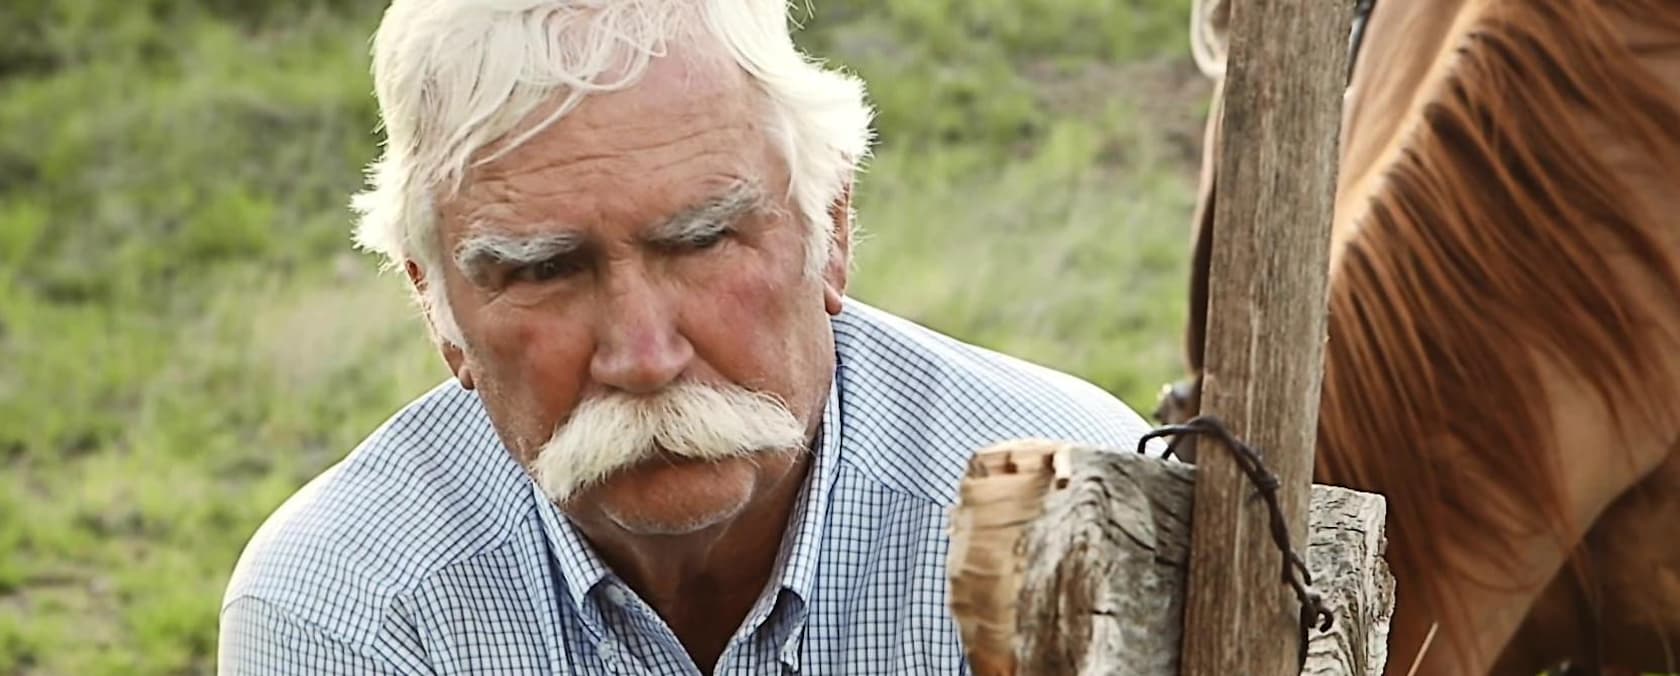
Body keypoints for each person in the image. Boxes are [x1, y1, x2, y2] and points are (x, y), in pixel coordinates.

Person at [215, 0, 1153, 673]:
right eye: (544, 270)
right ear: (438, 309)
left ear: (830, 230)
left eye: (702, 242)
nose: (643, 357)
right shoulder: (352, 607)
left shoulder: (1073, 501)